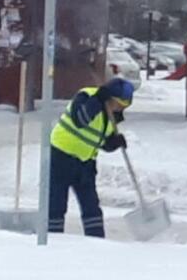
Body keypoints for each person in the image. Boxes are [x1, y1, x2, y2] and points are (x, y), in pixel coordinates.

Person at [48, 78, 134, 238]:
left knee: (91, 207)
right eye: (119, 104)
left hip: (85, 162)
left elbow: (100, 140)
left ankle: (96, 241)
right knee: (56, 204)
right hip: (61, 156)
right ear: (110, 98)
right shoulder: (86, 97)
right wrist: (97, 100)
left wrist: (113, 143)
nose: (120, 109)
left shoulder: (110, 115)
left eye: (124, 107)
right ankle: (53, 238)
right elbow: (80, 119)